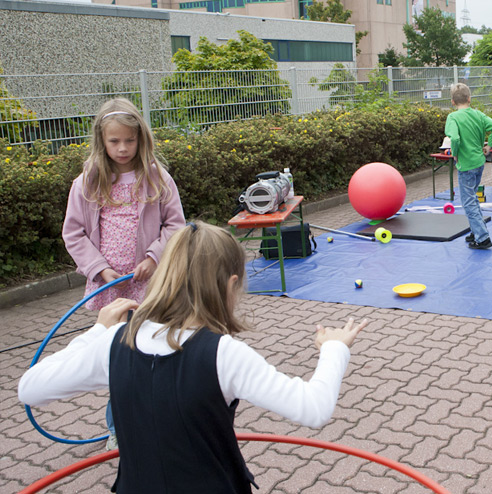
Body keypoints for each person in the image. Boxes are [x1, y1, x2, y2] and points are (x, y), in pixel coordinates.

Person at [19, 222, 368, 492]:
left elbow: (30, 389)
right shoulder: (224, 354)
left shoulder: (113, 342)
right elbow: (314, 408)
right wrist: (335, 348)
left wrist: (97, 331)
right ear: (231, 285)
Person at [61, 97, 186, 448]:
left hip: (150, 286)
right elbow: (73, 233)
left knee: (157, 350)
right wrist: (100, 270)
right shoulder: (87, 181)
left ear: (141, 138)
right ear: (102, 140)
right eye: (114, 141)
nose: (122, 148)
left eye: (129, 140)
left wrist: (153, 257)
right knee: (121, 358)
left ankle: (163, 419)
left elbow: (175, 225)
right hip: (112, 289)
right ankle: (119, 430)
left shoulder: (157, 177)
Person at [445, 83, 492, 250]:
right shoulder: (478, 114)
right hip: (479, 162)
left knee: (468, 201)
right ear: (469, 99)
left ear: (452, 102)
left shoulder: (453, 118)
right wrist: (489, 146)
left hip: (466, 165)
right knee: (472, 197)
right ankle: (475, 231)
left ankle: (482, 237)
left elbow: (454, 139)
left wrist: (455, 153)